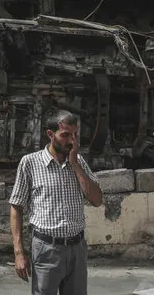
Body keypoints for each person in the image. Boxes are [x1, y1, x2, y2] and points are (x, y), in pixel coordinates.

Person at [9, 111, 103, 294]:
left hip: (77, 249)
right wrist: (18, 253)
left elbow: (97, 200)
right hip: (46, 249)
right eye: (65, 135)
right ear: (50, 134)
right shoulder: (30, 163)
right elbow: (16, 207)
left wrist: (75, 164)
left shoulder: (79, 162)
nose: (72, 141)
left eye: (75, 135)